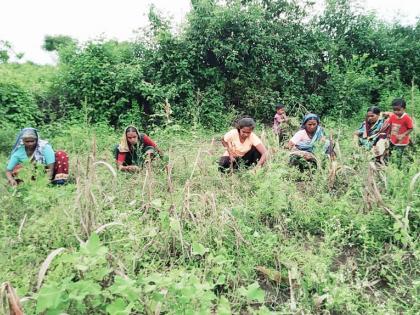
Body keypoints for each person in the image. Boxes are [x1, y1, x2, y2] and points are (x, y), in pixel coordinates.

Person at [381, 98, 414, 167]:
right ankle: (386, 164)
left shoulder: (407, 118)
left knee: (399, 155)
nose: (396, 112)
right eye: (394, 110)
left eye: (398, 110)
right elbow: (390, 125)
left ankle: (398, 167)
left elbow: (411, 128)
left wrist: (403, 135)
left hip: (402, 141)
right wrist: (388, 134)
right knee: (388, 151)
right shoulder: (393, 116)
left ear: (404, 109)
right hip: (393, 139)